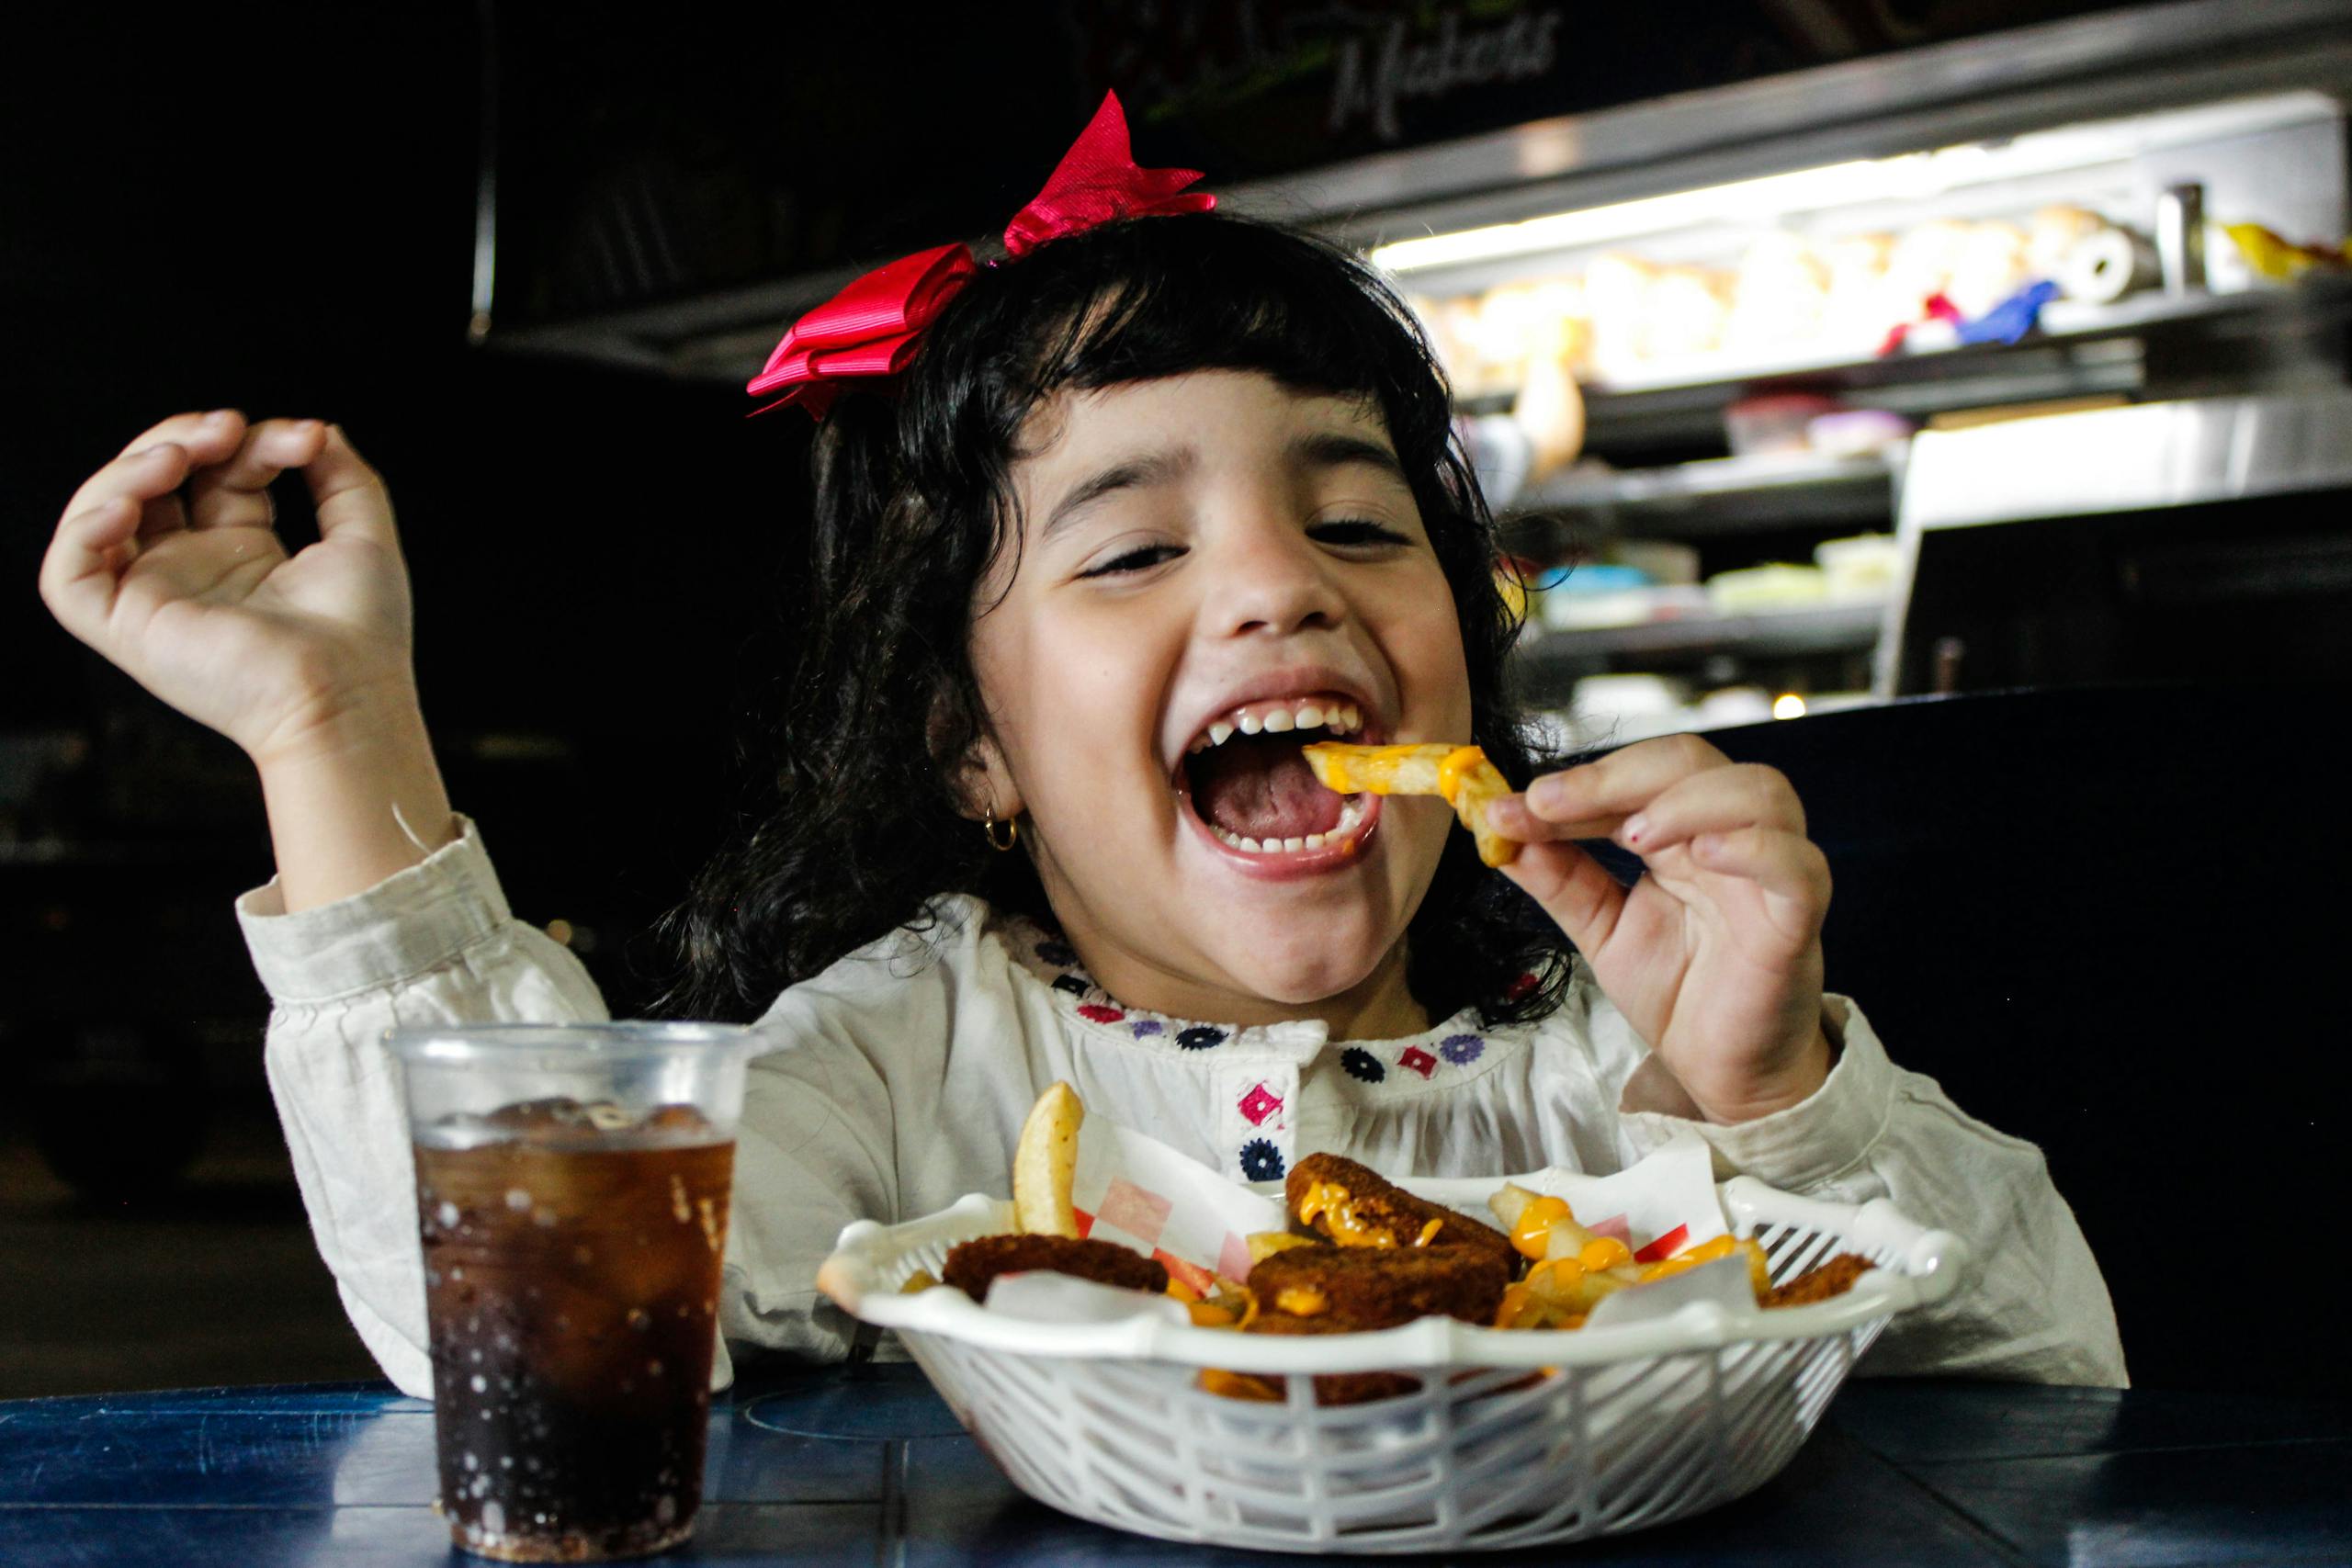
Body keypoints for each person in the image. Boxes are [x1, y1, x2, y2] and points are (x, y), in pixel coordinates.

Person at [37, 96, 2123, 1398]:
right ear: (973, 751)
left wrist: (1762, 1096)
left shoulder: (1606, 1052)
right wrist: (330, 727)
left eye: (1358, 522)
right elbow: (537, 1301)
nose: (1276, 588)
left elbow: (2055, 1372)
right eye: (1130, 546)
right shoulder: (911, 1053)